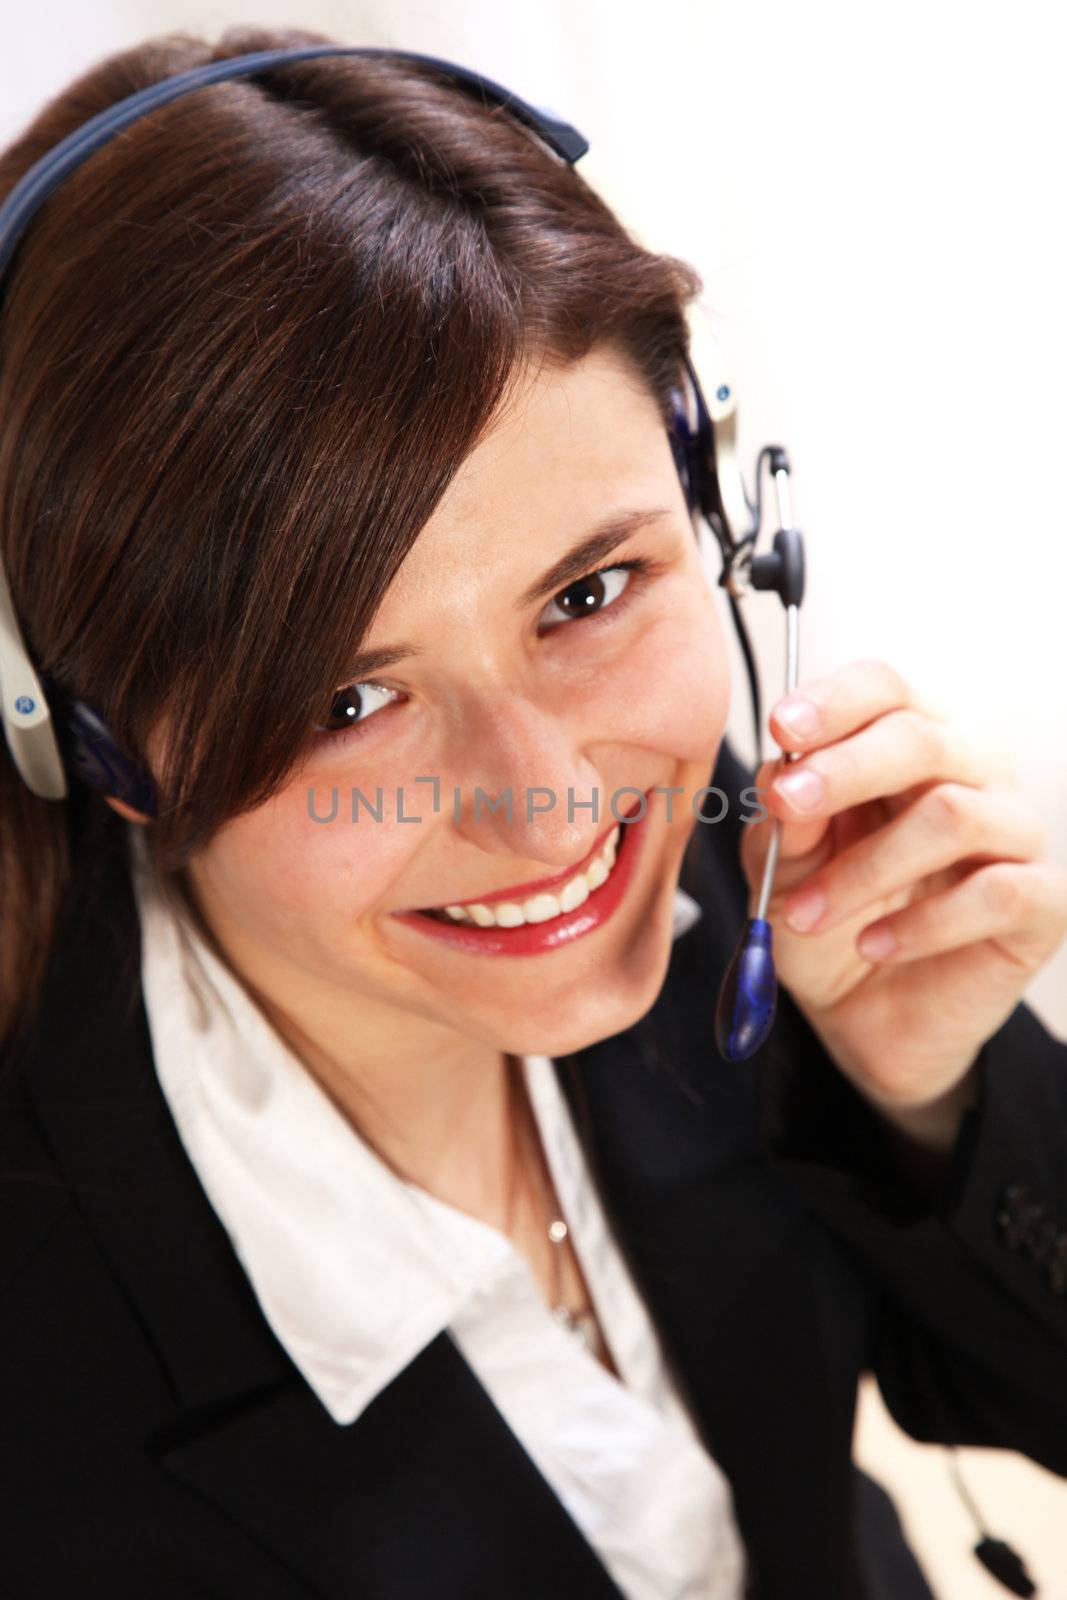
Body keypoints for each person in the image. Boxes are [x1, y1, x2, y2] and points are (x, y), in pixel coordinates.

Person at [1, 25, 1066, 1600]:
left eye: (588, 589)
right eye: (343, 701)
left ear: (714, 499)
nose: (552, 799)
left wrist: (930, 1110)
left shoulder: (736, 886)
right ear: (77, 737)